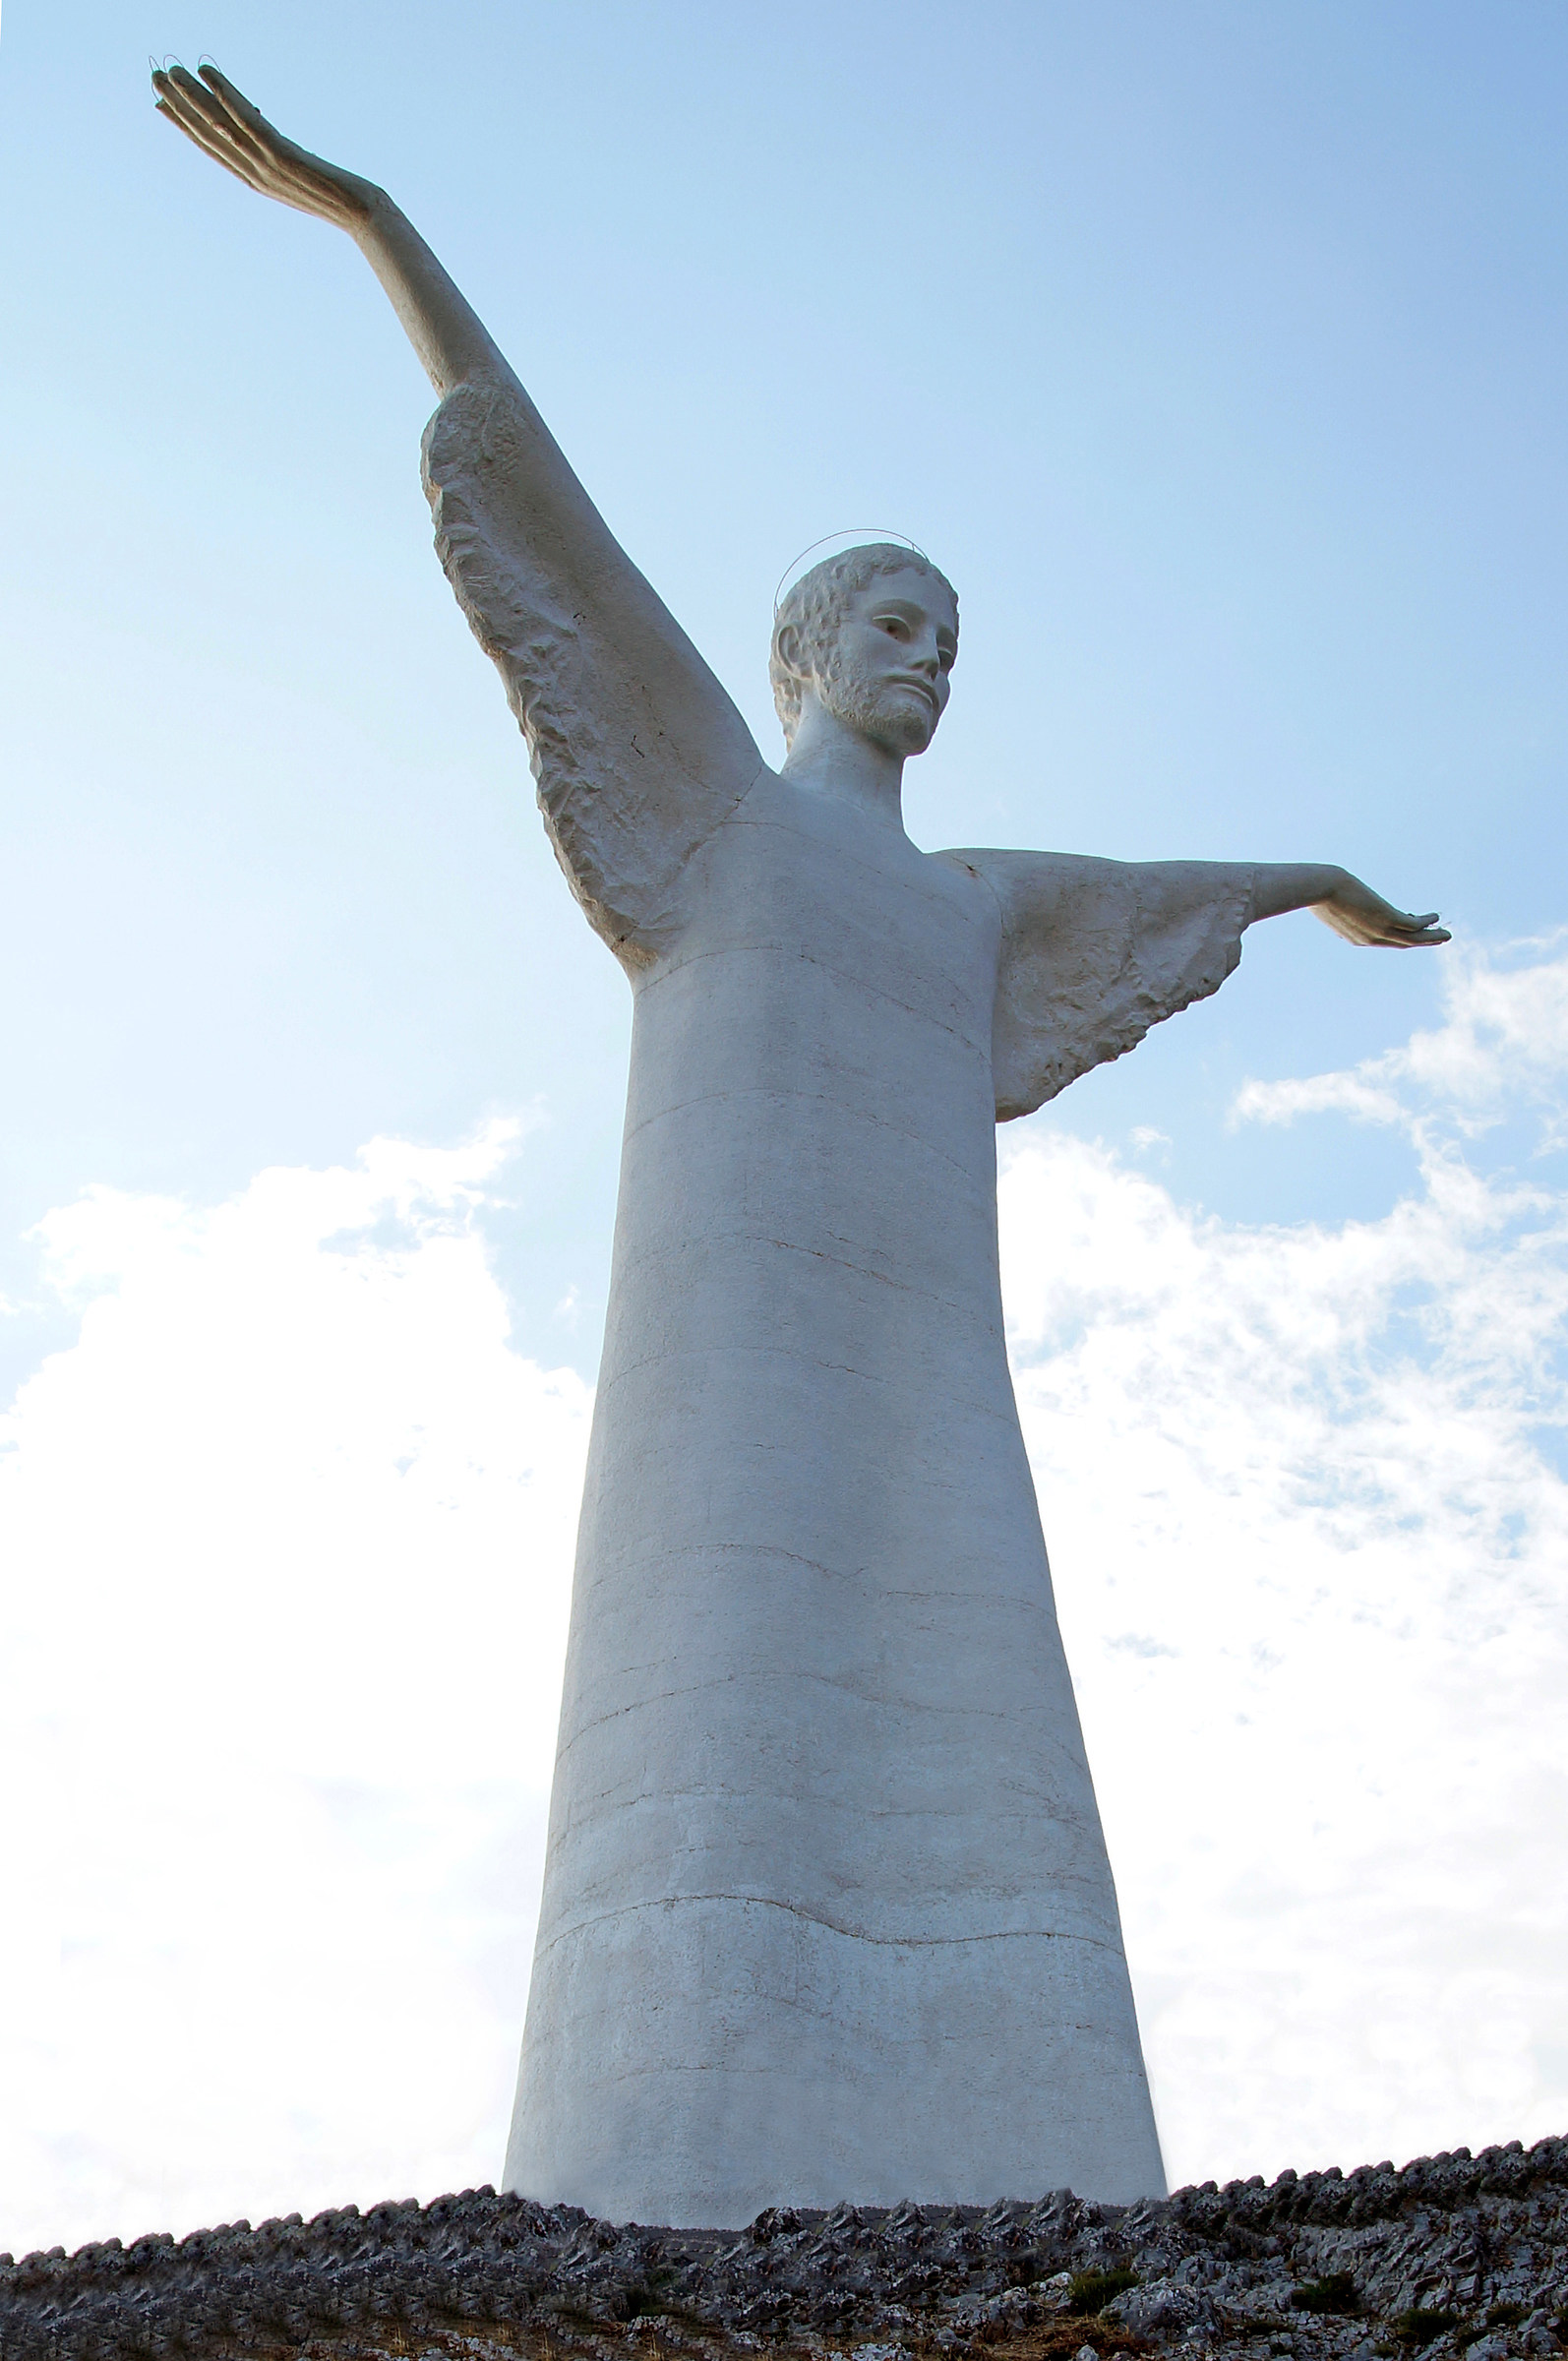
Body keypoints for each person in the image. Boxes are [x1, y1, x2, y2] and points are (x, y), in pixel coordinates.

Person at [154, 64, 1449, 2227]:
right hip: (728, 1336)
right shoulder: (712, 821)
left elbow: (1166, 879)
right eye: (888, 628)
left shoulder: (968, 909)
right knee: (719, 1699)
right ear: (794, 654)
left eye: (945, 643)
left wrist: (1314, 877)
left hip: (931, 1361)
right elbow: (543, 510)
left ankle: (1024, 2157)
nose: (923, 667)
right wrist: (378, 229)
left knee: (965, 1674)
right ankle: (662, 2158)